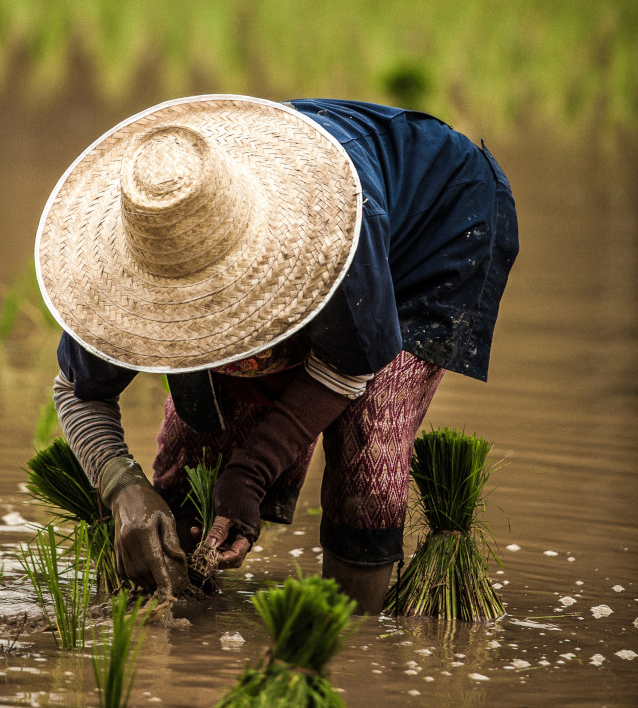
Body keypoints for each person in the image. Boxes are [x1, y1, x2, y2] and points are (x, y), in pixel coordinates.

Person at [35, 95, 518, 613]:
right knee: (200, 443)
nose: (198, 315)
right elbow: (77, 390)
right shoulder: (128, 261)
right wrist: (123, 488)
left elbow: (352, 363)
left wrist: (253, 472)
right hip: (286, 218)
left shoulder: (332, 235)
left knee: (369, 447)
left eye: (212, 297)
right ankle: (185, 610)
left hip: (435, 223)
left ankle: (350, 641)